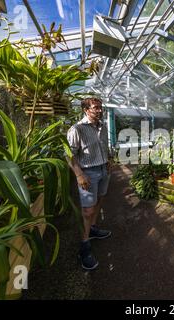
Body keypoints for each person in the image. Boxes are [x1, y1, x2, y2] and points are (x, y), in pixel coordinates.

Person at [67, 97, 112, 270]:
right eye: (95, 108)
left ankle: (93, 229)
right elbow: (68, 155)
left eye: (100, 107)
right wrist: (79, 175)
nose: (99, 110)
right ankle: (84, 246)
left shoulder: (103, 126)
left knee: (100, 199)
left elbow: (104, 147)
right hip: (88, 172)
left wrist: (109, 160)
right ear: (86, 110)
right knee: (88, 210)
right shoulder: (77, 129)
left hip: (103, 169)